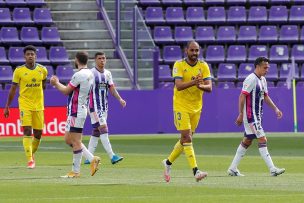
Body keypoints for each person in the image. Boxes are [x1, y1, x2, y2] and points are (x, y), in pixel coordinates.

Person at [162, 41, 212, 182]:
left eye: (197, 50)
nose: (195, 53)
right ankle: (196, 171)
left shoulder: (203, 66)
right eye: (192, 50)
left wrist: (200, 85)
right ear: (186, 51)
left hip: (196, 107)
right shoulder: (179, 65)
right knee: (187, 137)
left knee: (185, 139)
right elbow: (178, 86)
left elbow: (209, 88)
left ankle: (167, 162)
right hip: (181, 106)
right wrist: (194, 82)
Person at [227, 57, 285, 177]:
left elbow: (266, 96)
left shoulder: (263, 80)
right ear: (257, 66)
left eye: (268, 67)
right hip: (250, 116)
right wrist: (240, 113)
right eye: (265, 67)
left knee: (247, 141)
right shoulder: (251, 79)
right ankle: (272, 169)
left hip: (257, 116)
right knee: (262, 139)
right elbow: (242, 96)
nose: (267, 70)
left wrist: (276, 109)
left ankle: (232, 168)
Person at [50, 51, 100, 178]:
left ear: (77, 60)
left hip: (76, 111)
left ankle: (75, 171)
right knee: (68, 139)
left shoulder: (78, 75)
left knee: (76, 141)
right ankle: (92, 158)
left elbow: (66, 91)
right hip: (78, 109)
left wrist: (56, 83)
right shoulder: (91, 73)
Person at [4, 45, 47, 169]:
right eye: (28, 54)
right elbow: (13, 89)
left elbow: (43, 83)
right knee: (27, 130)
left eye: (32, 54)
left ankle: (31, 154)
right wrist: (7, 106)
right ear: (24, 56)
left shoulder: (42, 70)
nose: (30, 56)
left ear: (35, 56)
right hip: (24, 105)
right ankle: (30, 160)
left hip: (38, 106)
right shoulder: (19, 71)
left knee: (38, 134)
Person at [84, 52, 126, 165]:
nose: (102, 60)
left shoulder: (108, 74)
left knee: (96, 131)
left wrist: (120, 99)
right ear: (95, 60)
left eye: (104, 58)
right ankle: (112, 156)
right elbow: (85, 89)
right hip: (94, 106)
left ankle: (89, 157)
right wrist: (85, 105)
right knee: (103, 128)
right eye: (100, 58)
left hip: (104, 107)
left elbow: (112, 89)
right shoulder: (91, 73)